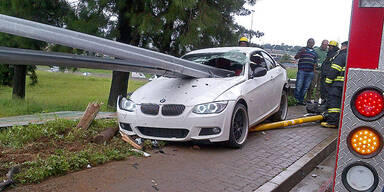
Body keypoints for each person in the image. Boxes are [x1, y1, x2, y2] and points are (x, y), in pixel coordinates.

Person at [321, 41, 348, 128]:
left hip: (337, 85)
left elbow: (334, 70)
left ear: (344, 46)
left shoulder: (341, 56)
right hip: (346, 85)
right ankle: (339, 121)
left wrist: (327, 82)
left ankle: (332, 122)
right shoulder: (351, 56)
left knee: (334, 104)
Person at [294, 38, 318, 105]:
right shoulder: (302, 49)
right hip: (302, 71)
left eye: (312, 43)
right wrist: (301, 52)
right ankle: (296, 100)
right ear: (307, 42)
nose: (310, 44)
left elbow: (315, 63)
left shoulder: (315, 53)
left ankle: (301, 101)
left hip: (310, 72)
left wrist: (313, 72)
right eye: (309, 42)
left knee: (305, 88)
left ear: (313, 44)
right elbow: (296, 57)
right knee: (298, 86)